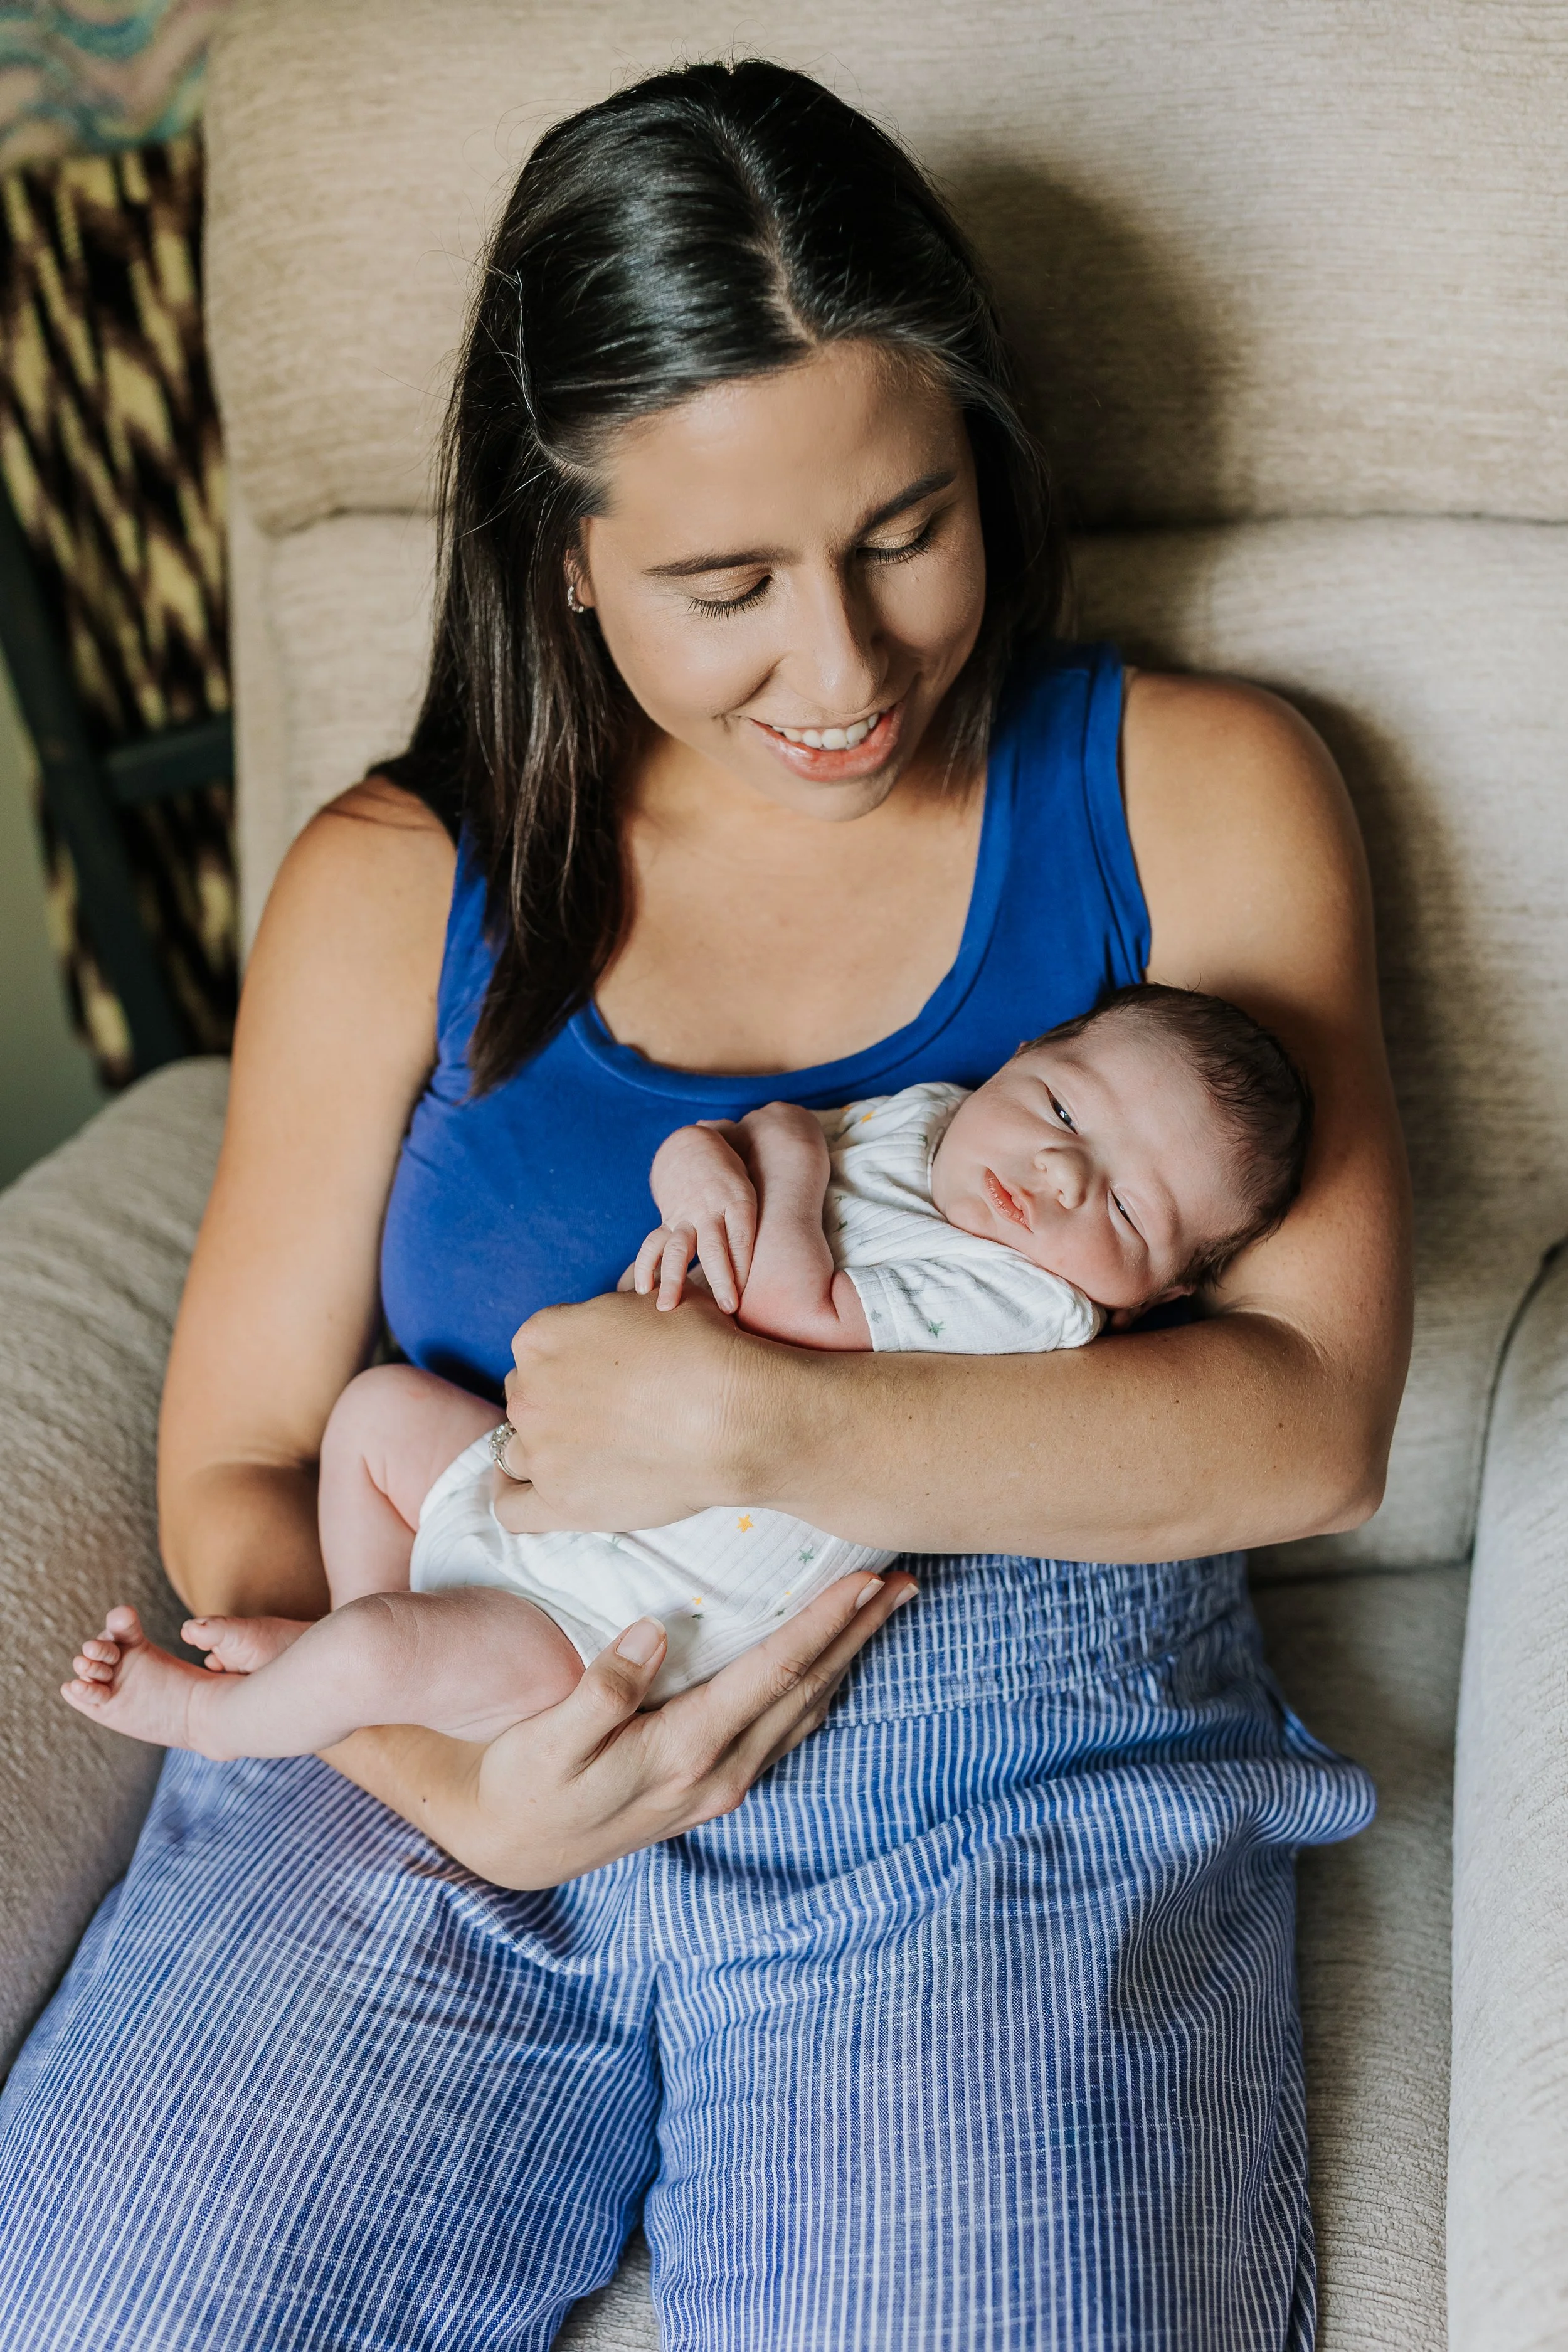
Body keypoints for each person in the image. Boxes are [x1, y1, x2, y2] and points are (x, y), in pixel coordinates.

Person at [0, 56, 1408, 2352]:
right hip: (447, 1680)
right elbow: (240, 1477)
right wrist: (451, 1775)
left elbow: (1311, 1421)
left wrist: (763, 1428)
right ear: (565, 557)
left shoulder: (1197, 785)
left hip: (988, 1710)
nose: (841, 670)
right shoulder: (394, 885)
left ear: (991, 469)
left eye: (902, 533)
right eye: (725, 585)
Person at [59, 983, 1313, 1757]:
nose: (1053, 1176)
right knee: (376, 1415)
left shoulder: (1024, 1300)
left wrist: (788, 1155)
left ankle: (217, 1723)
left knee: (396, 1648)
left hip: (607, 1619)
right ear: (1031, 1050)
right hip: (528, 1480)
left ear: (1157, 1294)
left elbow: (792, 1319)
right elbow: (719, 1163)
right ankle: (349, 1645)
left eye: (1126, 1212)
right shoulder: (931, 1118)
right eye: (1060, 1106)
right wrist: (696, 1163)